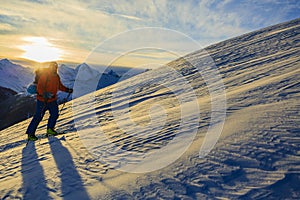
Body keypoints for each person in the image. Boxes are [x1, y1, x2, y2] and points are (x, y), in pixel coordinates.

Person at [26, 61, 73, 141]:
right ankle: (30, 134)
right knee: (38, 117)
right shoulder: (45, 75)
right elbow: (39, 88)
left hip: (52, 100)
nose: (54, 68)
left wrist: (67, 90)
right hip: (42, 100)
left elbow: (59, 86)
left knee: (54, 114)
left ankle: (50, 129)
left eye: (55, 67)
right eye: (53, 67)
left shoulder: (56, 76)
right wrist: (45, 94)